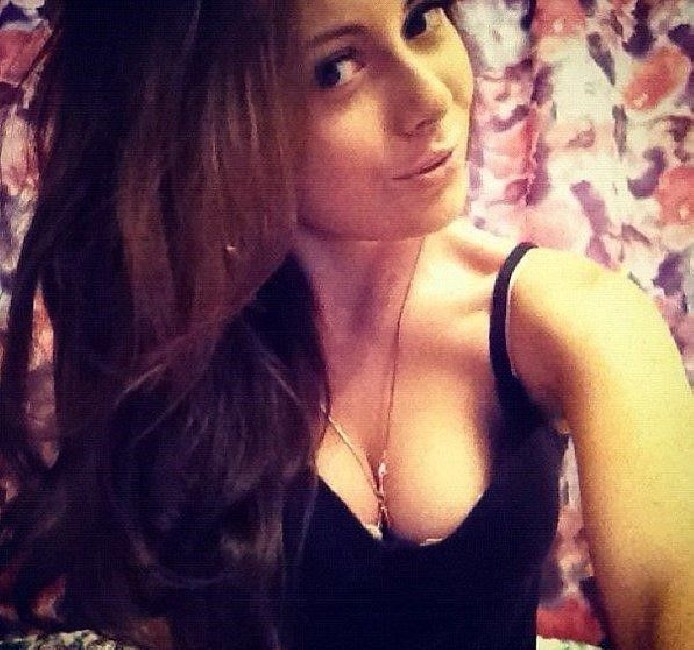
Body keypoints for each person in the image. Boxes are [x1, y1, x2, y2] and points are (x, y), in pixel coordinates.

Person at [0, 1, 692, 648]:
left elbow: (671, 591)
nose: (430, 98)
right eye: (336, 69)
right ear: (213, 117)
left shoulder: (570, 317)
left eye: (419, 19)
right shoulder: (171, 334)